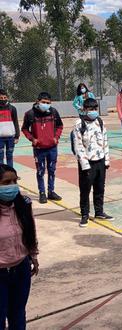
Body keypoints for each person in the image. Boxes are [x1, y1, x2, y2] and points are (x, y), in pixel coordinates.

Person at [0, 164, 39, 329]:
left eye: (15, 181)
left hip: (21, 269)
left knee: (18, 314)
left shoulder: (23, 204)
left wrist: (33, 256)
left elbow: (30, 231)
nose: (12, 186)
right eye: (6, 182)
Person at [72, 98, 114, 227]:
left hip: (100, 160)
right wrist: (85, 165)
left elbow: (105, 142)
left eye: (95, 109)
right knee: (85, 189)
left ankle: (99, 211)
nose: (93, 111)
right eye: (90, 109)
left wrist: (106, 160)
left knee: (100, 187)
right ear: (84, 110)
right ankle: (85, 214)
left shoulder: (100, 122)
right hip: (87, 163)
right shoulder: (79, 124)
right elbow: (78, 146)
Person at [21, 92, 63, 204]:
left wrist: (56, 138)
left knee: (52, 170)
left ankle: (51, 191)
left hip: (52, 148)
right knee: (40, 171)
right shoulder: (30, 114)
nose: (45, 104)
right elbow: (24, 129)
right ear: (37, 101)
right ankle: (42, 193)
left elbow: (60, 126)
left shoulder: (53, 112)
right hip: (39, 149)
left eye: (48, 103)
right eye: (43, 102)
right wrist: (32, 139)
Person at [0, 89, 20, 167]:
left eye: (5, 98)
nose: (3, 100)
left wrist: (17, 136)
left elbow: (15, 122)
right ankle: (1, 176)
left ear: (7, 98)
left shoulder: (12, 108)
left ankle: (10, 174)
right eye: (1, 98)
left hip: (10, 137)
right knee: (0, 157)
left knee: (9, 156)